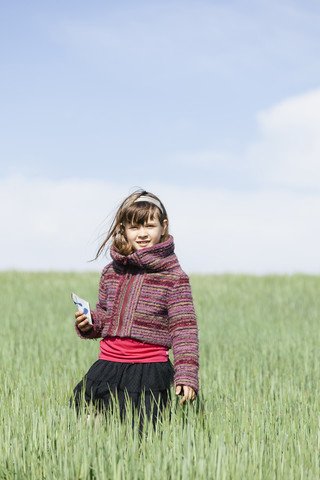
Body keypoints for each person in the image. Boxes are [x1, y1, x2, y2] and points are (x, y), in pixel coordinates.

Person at [71, 190, 199, 428]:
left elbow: (185, 331)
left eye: (149, 226)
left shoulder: (175, 277)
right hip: (107, 367)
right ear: (124, 230)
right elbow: (105, 317)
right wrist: (90, 323)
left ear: (164, 227)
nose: (142, 234)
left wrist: (187, 376)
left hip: (149, 371)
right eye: (134, 227)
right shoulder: (111, 271)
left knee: (139, 437)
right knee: (84, 429)